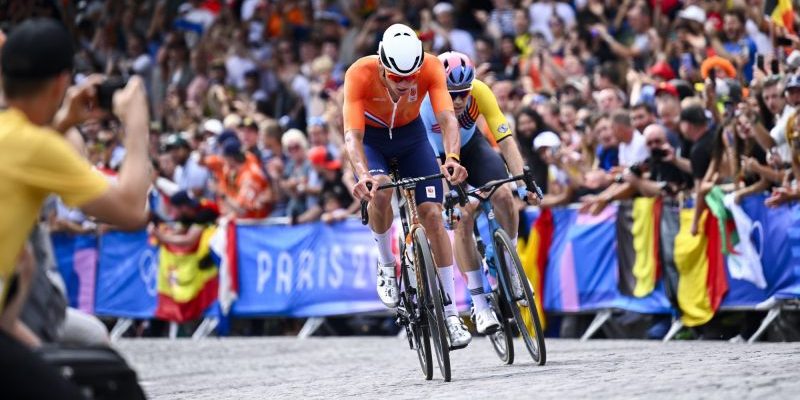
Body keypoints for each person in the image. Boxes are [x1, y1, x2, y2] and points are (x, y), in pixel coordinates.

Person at [0, 19, 151, 398]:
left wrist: (64, 118)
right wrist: (136, 124)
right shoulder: (37, 148)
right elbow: (131, 210)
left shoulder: (15, 138)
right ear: (60, 82)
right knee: (117, 384)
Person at [343, 24, 471, 348]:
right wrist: (363, 174)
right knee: (382, 189)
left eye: (410, 76)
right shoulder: (359, 73)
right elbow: (352, 137)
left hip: (411, 137)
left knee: (432, 214)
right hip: (372, 140)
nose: (405, 83)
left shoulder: (429, 66)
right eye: (398, 78)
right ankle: (387, 263)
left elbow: (447, 119)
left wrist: (453, 156)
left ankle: (451, 314)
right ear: (383, 66)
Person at [419, 51, 539, 334]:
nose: (459, 101)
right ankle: (479, 302)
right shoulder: (426, 104)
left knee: (503, 194)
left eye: (463, 93)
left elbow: (506, 140)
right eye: (452, 95)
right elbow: (432, 159)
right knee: (462, 215)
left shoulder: (481, 92)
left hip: (472, 148)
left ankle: (510, 264)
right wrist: (449, 193)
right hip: (437, 155)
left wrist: (523, 183)